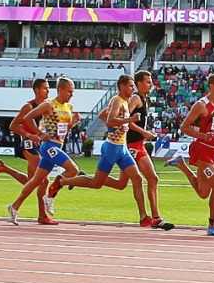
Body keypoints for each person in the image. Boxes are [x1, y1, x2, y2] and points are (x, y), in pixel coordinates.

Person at [49, 73, 157, 227]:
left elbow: (110, 120)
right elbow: (110, 120)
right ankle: (62, 181)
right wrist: (129, 120)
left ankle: (143, 217)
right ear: (122, 86)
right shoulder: (116, 101)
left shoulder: (126, 102)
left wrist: (124, 125)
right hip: (112, 148)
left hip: (123, 147)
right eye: (131, 86)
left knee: (137, 179)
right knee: (96, 183)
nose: (133, 89)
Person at [7, 76, 80, 225]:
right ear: (60, 90)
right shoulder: (49, 105)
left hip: (57, 144)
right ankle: (50, 195)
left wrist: (73, 122)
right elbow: (28, 118)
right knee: (73, 170)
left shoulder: (69, 107)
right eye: (69, 92)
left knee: (36, 181)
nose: (71, 95)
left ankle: (14, 206)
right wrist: (39, 134)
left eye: (73, 92)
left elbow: (63, 130)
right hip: (48, 146)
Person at [167, 72, 214, 236]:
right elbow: (184, 127)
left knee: (203, 193)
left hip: (213, 150)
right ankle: (212, 225)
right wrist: (203, 136)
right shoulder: (201, 105)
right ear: (211, 86)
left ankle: (180, 164)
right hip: (201, 149)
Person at [0, 77, 50, 196]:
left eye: (48, 89)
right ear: (37, 90)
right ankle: (42, 213)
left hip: (40, 144)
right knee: (43, 180)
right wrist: (29, 135)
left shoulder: (47, 106)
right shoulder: (29, 107)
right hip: (29, 143)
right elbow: (13, 125)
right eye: (45, 89)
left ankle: (3, 168)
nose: (48, 91)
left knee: (31, 181)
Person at [125, 69, 171, 229]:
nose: (151, 84)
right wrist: (143, 132)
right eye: (148, 81)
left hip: (139, 145)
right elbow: (125, 120)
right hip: (132, 146)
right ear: (139, 83)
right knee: (118, 183)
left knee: (150, 179)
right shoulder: (135, 99)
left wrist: (144, 132)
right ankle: (66, 181)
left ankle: (153, 217)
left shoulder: (143, 100)